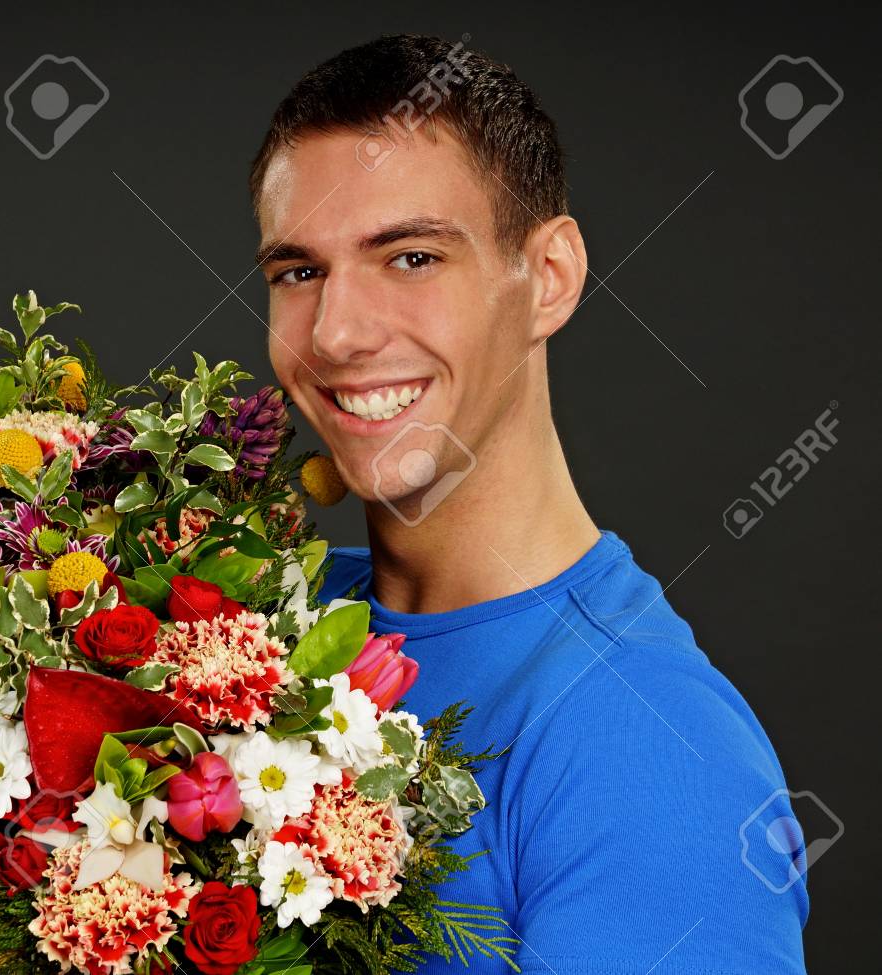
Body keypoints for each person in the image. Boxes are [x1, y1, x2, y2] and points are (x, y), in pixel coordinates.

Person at [252, 34, 808, 974]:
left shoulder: (650, 749)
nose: (337, 333)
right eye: (298, 272)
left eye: (413, 257)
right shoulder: (247, 637)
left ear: (548, 277)